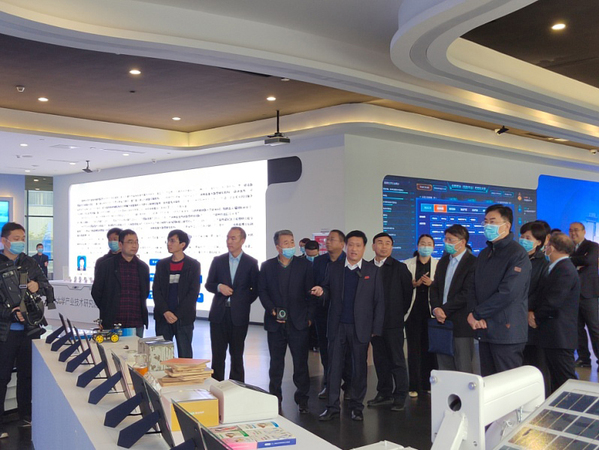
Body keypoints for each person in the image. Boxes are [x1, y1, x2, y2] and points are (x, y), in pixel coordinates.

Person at [313, 230, 384, 422]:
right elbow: (327, 289)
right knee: (334, 367)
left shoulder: (372, 271)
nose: (353, 249)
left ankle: (357, 407)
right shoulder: (334, 268)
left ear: (364, 248)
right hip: (337, 326)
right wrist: (322, 291)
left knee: (359, 369)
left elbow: (379, 302)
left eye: (358, 245)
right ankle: (332, 406)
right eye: (350, 245)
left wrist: (375, 329)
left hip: (360, 328)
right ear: (345, 246)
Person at [0, 222, 54, 438]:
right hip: (5, 332)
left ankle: (26, 416)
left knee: (27, 375)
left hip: (30, 331)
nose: (20, 242)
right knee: (2, 377)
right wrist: (9, 313)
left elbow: (47, 286)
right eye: (16, 238)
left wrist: (38, 286)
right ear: (4, 241)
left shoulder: (29, 262)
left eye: (23, 238)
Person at [467, 204, 531, 376]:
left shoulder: (518, 254)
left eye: (493, 221)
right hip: (484, 328)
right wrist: (474, 313)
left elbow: (508, 292)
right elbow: (472, 286)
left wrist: (478, 313)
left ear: (507, 225)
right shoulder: (484, 253)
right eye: (486, 221)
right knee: (489, 382)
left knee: (507, 383)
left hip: (506, 332)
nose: (488, 225)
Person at [258, 230, 314, 414]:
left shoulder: (304, 265)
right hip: (275, 323)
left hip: (298, 323)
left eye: (292, 242)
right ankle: (275, 397)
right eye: (286, 243)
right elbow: (262, 291)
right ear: (277, 247)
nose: (290, 246)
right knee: (276, 364)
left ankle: (302, 399)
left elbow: (310, 293)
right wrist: (271, 309)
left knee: (300, 364)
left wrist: (309, 317)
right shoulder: (267, 266)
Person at [206, 227, 259, 382]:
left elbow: (255, 289)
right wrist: (219, 287)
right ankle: (216, 385)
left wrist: (241, 302)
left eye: (233, 238)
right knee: (218, 354)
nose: (229, 241)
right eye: (228, 238)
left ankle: (236, 386)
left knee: (237, 354)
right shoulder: (218, 260)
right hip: (219, 314)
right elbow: (209, 284)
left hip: (239, 315)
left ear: (242, 241)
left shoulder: (251, 263)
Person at [367, 232, 412, 411]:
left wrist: (397, 314)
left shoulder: (400, 268)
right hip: (373, 324)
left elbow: (407, 295)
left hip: (393, 322)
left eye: (387, 243)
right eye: (380, 243)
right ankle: (384, 392)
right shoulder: (367, 267)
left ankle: (400, 395)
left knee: (397, 360)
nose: (384, 246)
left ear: (392, 247)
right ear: (373, 246)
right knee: (380, 360)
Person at [529, 233, 580, 394]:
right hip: (553, 335)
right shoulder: (557, 268)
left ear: (552, 248)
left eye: (547, 246)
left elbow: (554, 301)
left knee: (565, 380)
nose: (545, 249)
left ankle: (572, 407)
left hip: (560, 335)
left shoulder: (565, 269)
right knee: (556, 379)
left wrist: (535, 317)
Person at [430, 224, 477, 373]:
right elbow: (435, 287)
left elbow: (467, 293)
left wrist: (444, 309)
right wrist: (436, 308)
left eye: (450, 240)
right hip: (441, 321)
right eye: (445, 239)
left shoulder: (473, 263)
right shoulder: (443, 261)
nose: (446, 242)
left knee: (463, 366)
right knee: (444, 367)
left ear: (462, 242)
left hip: (461, 323)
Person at [91, 229, 150, 338]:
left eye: (136, 242)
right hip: (113, 322)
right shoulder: (106, 266)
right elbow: (96, 292)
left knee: (136, 348)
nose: (134, 245)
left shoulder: (143, 267)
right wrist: (107, 309)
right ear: (120, 244)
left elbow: (145, 292)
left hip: (136, 322)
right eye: (130, 242)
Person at [153, 230, 201, 358]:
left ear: (182, 244)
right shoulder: (162, 264)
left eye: (172, 241)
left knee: (185, 356)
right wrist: (165, 311)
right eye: (168, 240)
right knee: (162, 356)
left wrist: (177, 314)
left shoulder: (193, 265)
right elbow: (156, 290)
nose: (169, 244)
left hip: (184, 318)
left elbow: (193, 292)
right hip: (163, 317)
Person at [312, 229, 347, 399]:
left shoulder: (348, 261)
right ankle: (328, 384)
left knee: (345, 352)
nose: (327, 242)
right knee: (325, 350)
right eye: (327, 239)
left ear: (342, 244)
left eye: (332, 239)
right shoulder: (319, 261)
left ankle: (348, 385)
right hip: (322, 312)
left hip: (343, 314)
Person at [404, 234, 438, 397]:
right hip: (413, 312)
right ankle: (414, 385)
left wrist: (432, 284)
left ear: (433, 247)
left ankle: (429, 384)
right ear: (417, 246)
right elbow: (401, 287)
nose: (425, 246)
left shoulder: (439, 264)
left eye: (429, 244)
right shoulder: (407, 264)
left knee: (430, 349)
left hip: (431, 312)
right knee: (413, 349)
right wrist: (413, 285)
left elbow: (443, 287)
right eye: (423, 243)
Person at [519, 221, 550, 393]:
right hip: (514, 317)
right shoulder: (516, 258)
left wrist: (528, 309)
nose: (523, 240)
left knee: (535, 363)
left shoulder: (543, 264)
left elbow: (540, 291)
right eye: (522, 236)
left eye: (528, 238)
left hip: (531, 319)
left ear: (538, 242)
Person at [568, 222, 599, 369]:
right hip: (573, 294)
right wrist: (577, 261)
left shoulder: (592, 246)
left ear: (584, 231)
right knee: (577, 329)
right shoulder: (569, 248)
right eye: (570, 231)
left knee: (594, 327)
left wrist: (571, 259)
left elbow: (588, 260)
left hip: (589, 294)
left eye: (576, 230)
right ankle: (583, 359)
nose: (573, 233)